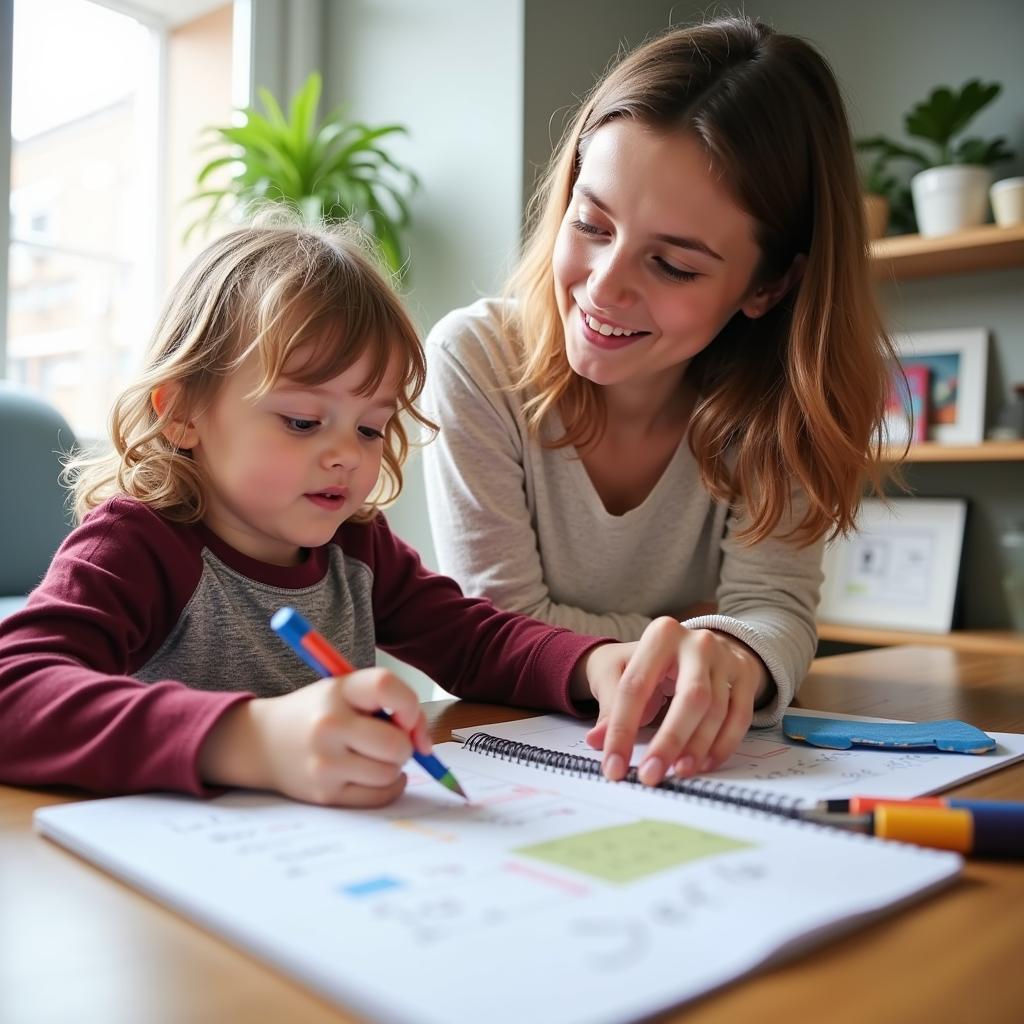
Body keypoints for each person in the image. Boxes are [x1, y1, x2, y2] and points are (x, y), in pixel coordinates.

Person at [0, 223, 698, 807]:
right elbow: (16, 692)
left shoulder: (357, 547)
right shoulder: (138, 544)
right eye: (304, 421)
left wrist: (596, 666)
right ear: (182, 412)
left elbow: (473, 642)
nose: (345, 456)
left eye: (370, 428)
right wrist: (249, 739)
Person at [422, 17, 894, 783]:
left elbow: (774, 611)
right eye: (590, 222)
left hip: (683, 772)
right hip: (506, 756)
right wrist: (712, 644)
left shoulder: (780, 406)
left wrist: (740, 649)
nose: (603, 288)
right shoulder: (476, 359)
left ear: (769, 286)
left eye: (673, 265)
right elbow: (497, 635)